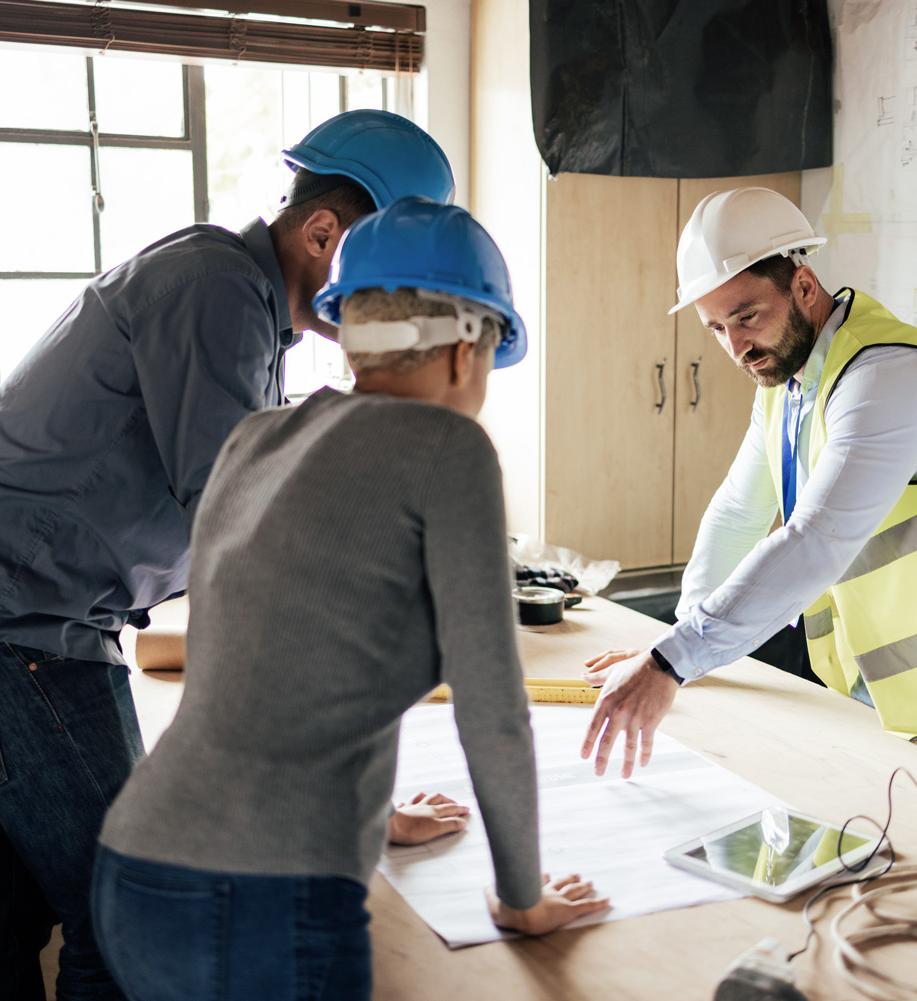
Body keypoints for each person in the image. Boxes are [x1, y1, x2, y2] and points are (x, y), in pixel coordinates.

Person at [0, 110, 455, 1000]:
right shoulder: (215, 287)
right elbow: (237, 513)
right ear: (325, 231)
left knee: (1, 921)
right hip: (8, 622)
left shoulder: (250, 314)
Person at [92, 197, 609, 1001]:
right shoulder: (450, 448)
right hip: (262, 890)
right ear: (465, 347)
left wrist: (381, 816)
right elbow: (491, 702)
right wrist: (520, 897)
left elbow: (283, 657)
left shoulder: (258, 438)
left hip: (135, 867)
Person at [581, 187, 917, 780]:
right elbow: (738, 511)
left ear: (804, 287)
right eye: (715, 329)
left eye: (746, 317)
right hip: (902, 691)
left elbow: (815, 540)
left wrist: (670, 664)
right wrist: (676, 645)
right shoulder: (791, 380)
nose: (735, 348)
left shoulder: (887, 377)